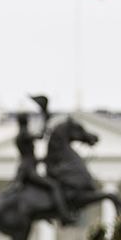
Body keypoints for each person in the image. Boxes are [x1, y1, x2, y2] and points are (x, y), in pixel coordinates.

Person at [13, 95, 75, 224]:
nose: (29, 122)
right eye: (28, 120)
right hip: (29, 170)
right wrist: (45, 117)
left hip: (29, 166)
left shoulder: (22, 134)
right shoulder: (23, 135)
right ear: (25, 122)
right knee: (54, 186)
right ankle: (64, 215)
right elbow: (41, 135)